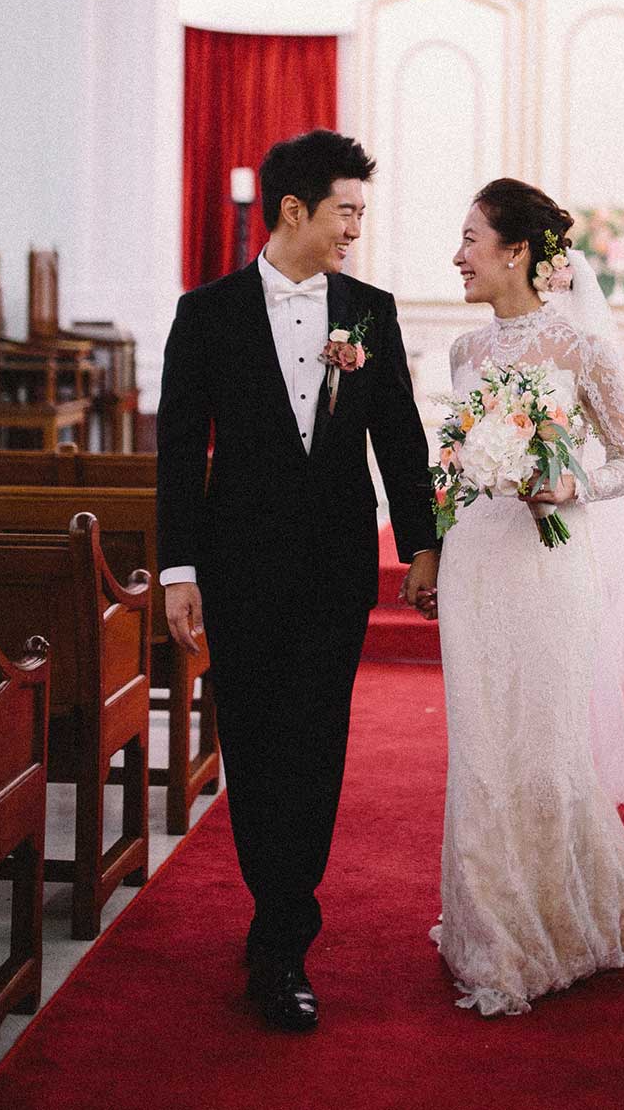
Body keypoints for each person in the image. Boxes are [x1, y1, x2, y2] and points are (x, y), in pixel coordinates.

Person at [416, 178, 624, 1016]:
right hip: (475, 563)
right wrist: (441, 535)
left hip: (548, 566)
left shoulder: (583, 351)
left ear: (516, 251)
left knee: (546, 742)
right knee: (480, 747)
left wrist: (571, 486)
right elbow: (454, 469)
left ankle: (563, 918)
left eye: (470, 239)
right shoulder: (463, 352)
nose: (457, 256)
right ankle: (487, 928)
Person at [157, 130, 440, 1032]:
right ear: (293, 210)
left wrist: (423, 547)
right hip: (237, 569)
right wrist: (177, 569)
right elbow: (177, 452)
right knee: (253, 744)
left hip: (334, 569)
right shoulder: (206, 313)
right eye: (345, 211)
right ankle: (274, 906)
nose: (356, 228)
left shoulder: (370, 311)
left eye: (360, 212)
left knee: (316, 745)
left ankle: (284, 936)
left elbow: (400, 436)